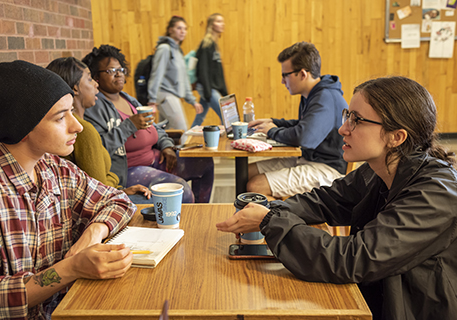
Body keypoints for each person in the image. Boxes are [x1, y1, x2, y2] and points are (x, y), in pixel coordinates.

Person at [217, 76, 457, 320]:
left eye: (357, 121)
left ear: (397, 137)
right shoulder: (379, 168)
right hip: (377, 296)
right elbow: (326, 200)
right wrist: (270, 210)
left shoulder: (435, 194)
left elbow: (354, 259)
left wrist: (269, 221)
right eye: (347, 116)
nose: (343, 129)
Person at [0, 60, 135, 319]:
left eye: (72, 112)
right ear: (22, 126)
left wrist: (93, 233)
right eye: (61, 117)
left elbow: (118, 200)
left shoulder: (54, 167)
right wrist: (70, 268)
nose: (77, 126)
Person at [82, 45, 214, 203]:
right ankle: (182, 223)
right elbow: (98, 149)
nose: (119, 74)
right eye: (111, 71)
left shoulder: (128, 99)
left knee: (205, 164)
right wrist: (130, 125)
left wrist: (166, 146)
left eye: (121, 70)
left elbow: (155, 127)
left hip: (155, 160)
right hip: (129, 170)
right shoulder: (95, 107)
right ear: (96, 78)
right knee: (182, 190)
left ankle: (198, 213)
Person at [246, 41, 348, 199]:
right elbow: (304, 125)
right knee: (245, 173)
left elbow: (304, 137)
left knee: (256, 186)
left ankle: (286, 222)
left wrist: (272, 131)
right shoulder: (314, 93)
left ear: (302, 74)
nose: (282, 81)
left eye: (285, 75)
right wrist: (273, 122)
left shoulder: (325, 97)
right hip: (308, 159)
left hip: (328, 168)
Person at [46, 57, 152, 204]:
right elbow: (99, 192)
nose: (96, 84)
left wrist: (120, 190)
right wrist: (116, 181)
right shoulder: (83, 129)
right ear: (75, 88)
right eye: (90, 79)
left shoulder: (62, 125)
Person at [147, 15, 203, 131]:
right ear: (170, 30)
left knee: (163, 133)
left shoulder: (178, 51)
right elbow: (156, 74)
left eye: (185, 29)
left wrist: (192, 101)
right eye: (179, 28)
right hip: (166, 95)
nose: (183, 31)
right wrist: (152, 101)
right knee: (183, 132)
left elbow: (184, 79)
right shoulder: (164, 49)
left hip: (173, 96)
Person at [190, 13, 228, 127]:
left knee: (199, 118)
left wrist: (225, 92)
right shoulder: (206, 44)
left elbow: (218, 72)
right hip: (208, 88)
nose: (223, 24)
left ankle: (186, 139)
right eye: (219, 21)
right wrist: (207, 92)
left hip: (210, 88)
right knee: (226, 117)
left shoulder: (214, 45)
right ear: (211, 25)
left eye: (223, 21)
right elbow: (203, 69)